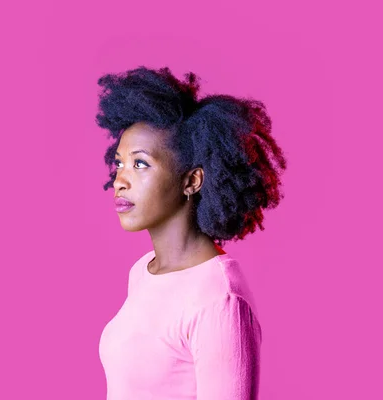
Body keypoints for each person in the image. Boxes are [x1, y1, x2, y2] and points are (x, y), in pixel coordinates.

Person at [95, 66, 287, 399]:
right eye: (120, 163)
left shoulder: (220, 300)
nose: (120, 180)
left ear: (191, 181)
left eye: (140, 164)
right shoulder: (143, 272)